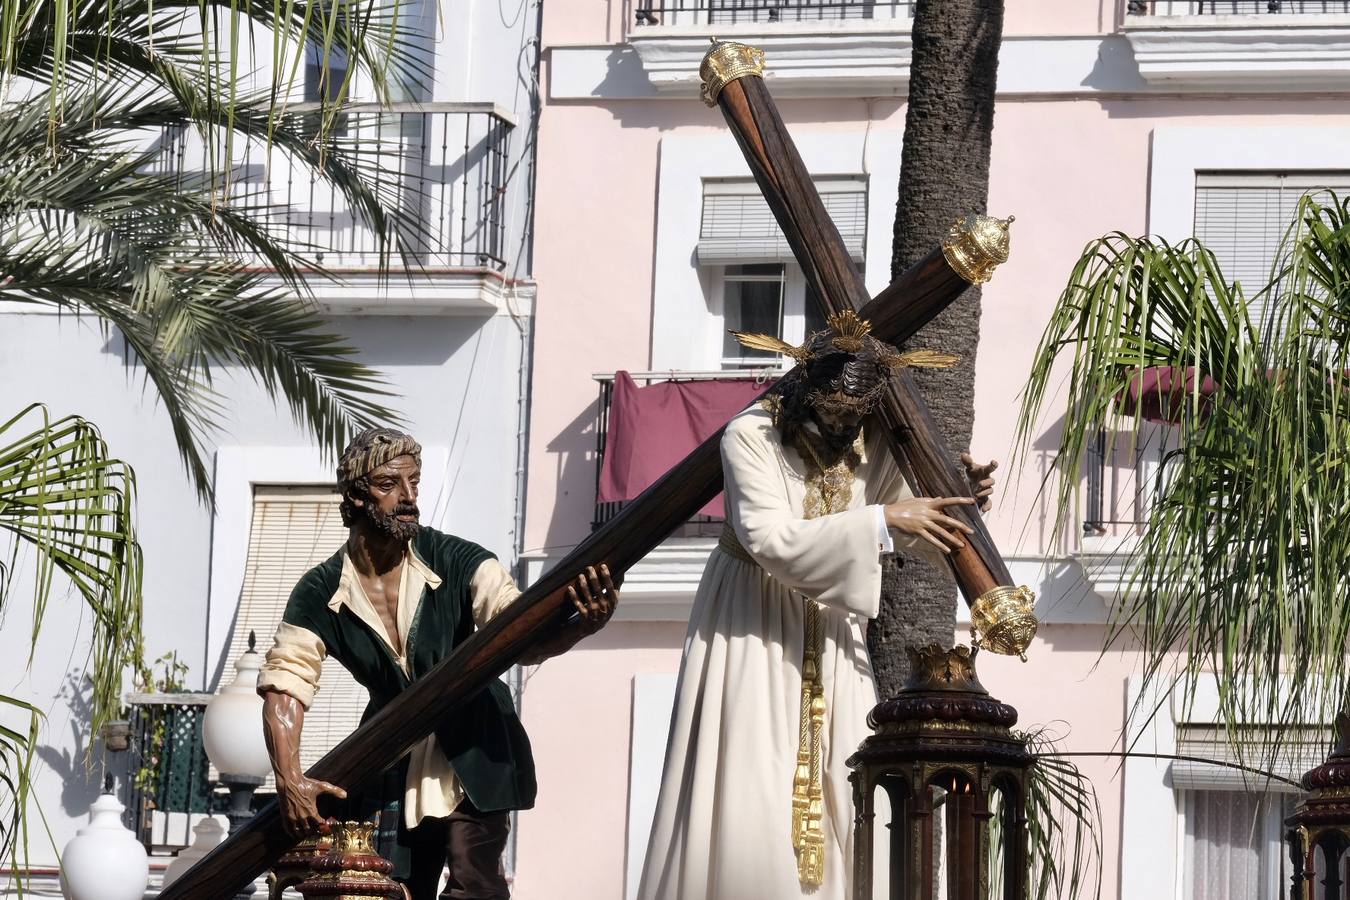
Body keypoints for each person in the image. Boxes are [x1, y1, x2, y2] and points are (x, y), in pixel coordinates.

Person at [636, 310, 996, 900]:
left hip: (831, 627)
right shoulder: (750, 435)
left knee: (846, 771)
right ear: (803, 389)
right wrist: (882, 519)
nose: (839, 425)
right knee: (752, 774)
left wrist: (962, 495)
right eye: (828, 410)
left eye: (852, 414)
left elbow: (912, 518)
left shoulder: (870, 437)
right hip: (752, 621)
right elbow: (768, 538)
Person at [257, 427, 619, 900]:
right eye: (390, 484)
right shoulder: (319, 590)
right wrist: (289, 779)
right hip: (392, 752)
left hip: (475, 742)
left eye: (415, 483)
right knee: (390, 889)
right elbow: (287, 682)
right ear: (357, 497)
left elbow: (520, 637)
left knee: (475, 886)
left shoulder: (460, 560)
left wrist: (579, 626)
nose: (408, 497)